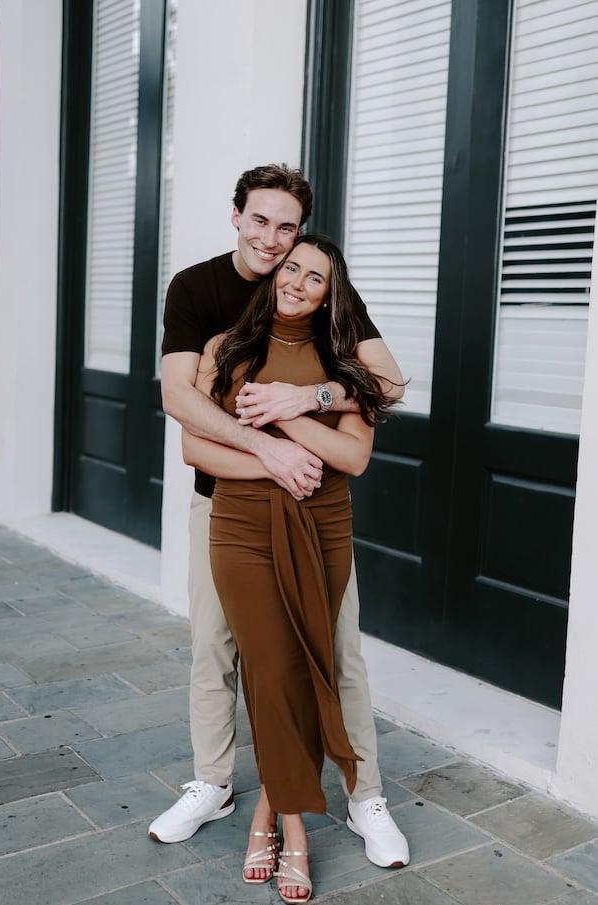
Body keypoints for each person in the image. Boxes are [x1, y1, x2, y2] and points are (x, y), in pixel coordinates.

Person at [148, 164, 409, 871]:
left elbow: (385, 384)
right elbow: (181, 401)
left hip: (315, 512)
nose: (273, 241)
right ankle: (214, 783)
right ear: (236, 215)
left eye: (286, 226)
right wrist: (268, 450)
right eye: (260, 220)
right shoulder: (199, 291)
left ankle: (364, 794)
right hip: (225, 500)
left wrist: (311, 399)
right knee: (217, 646)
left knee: (338, 653)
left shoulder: (314, 288)